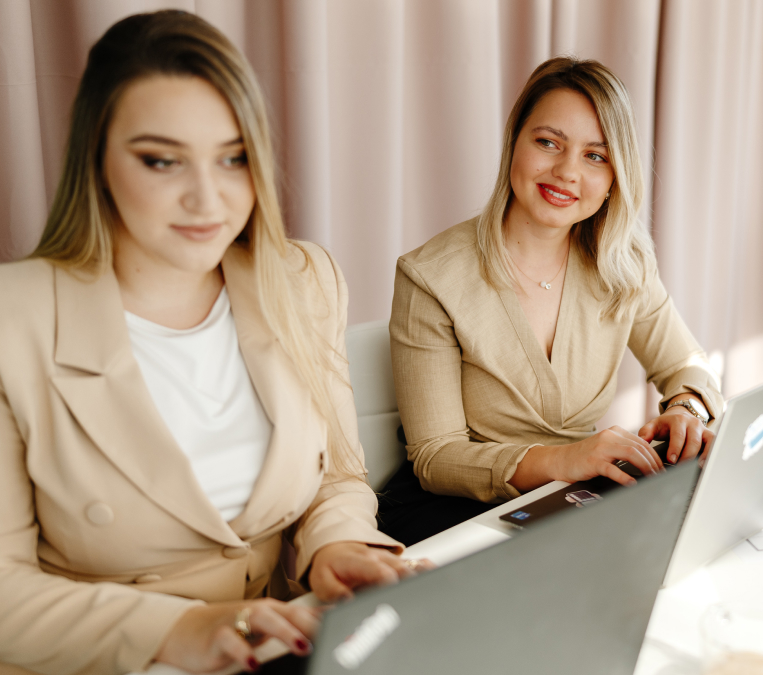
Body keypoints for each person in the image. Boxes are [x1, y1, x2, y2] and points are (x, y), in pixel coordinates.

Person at [0, 11, 417, 675]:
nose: (207, 198)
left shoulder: (303, 280)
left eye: (234, 158)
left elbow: (335, 475)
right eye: (162, 160)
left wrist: (336, 546)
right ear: (96, 158)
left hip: (285, 644)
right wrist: (184, 626)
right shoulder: (12, 321)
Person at [383, 57, 725, 546]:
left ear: (614, 178)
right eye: (548, 143)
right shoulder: (430, 276)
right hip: (455, 512)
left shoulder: (623, 261)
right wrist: (565, 459)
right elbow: (437, 457)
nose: (566, 172)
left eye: (595, 156)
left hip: (574, 497)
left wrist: (688, 411)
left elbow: (687, 364)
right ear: (514, 146)